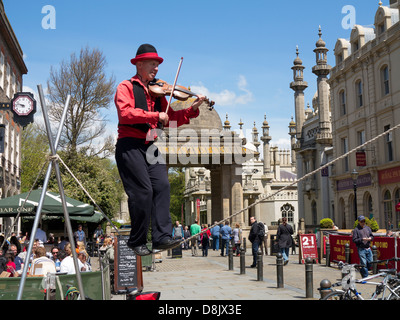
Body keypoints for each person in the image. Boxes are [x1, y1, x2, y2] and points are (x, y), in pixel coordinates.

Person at [114, 43, 205, 256]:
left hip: (150, 144)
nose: (156, 69)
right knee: (143, 192)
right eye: (152, 64)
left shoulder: (158, 94)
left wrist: (192, 109)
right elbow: (125, 114)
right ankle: (137, 241)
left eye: (157, 65)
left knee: (163, 185)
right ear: (139, 64)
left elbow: (170, 119)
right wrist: (155, 116)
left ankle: (161, 237)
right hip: (130, 144)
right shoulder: (125, 87)